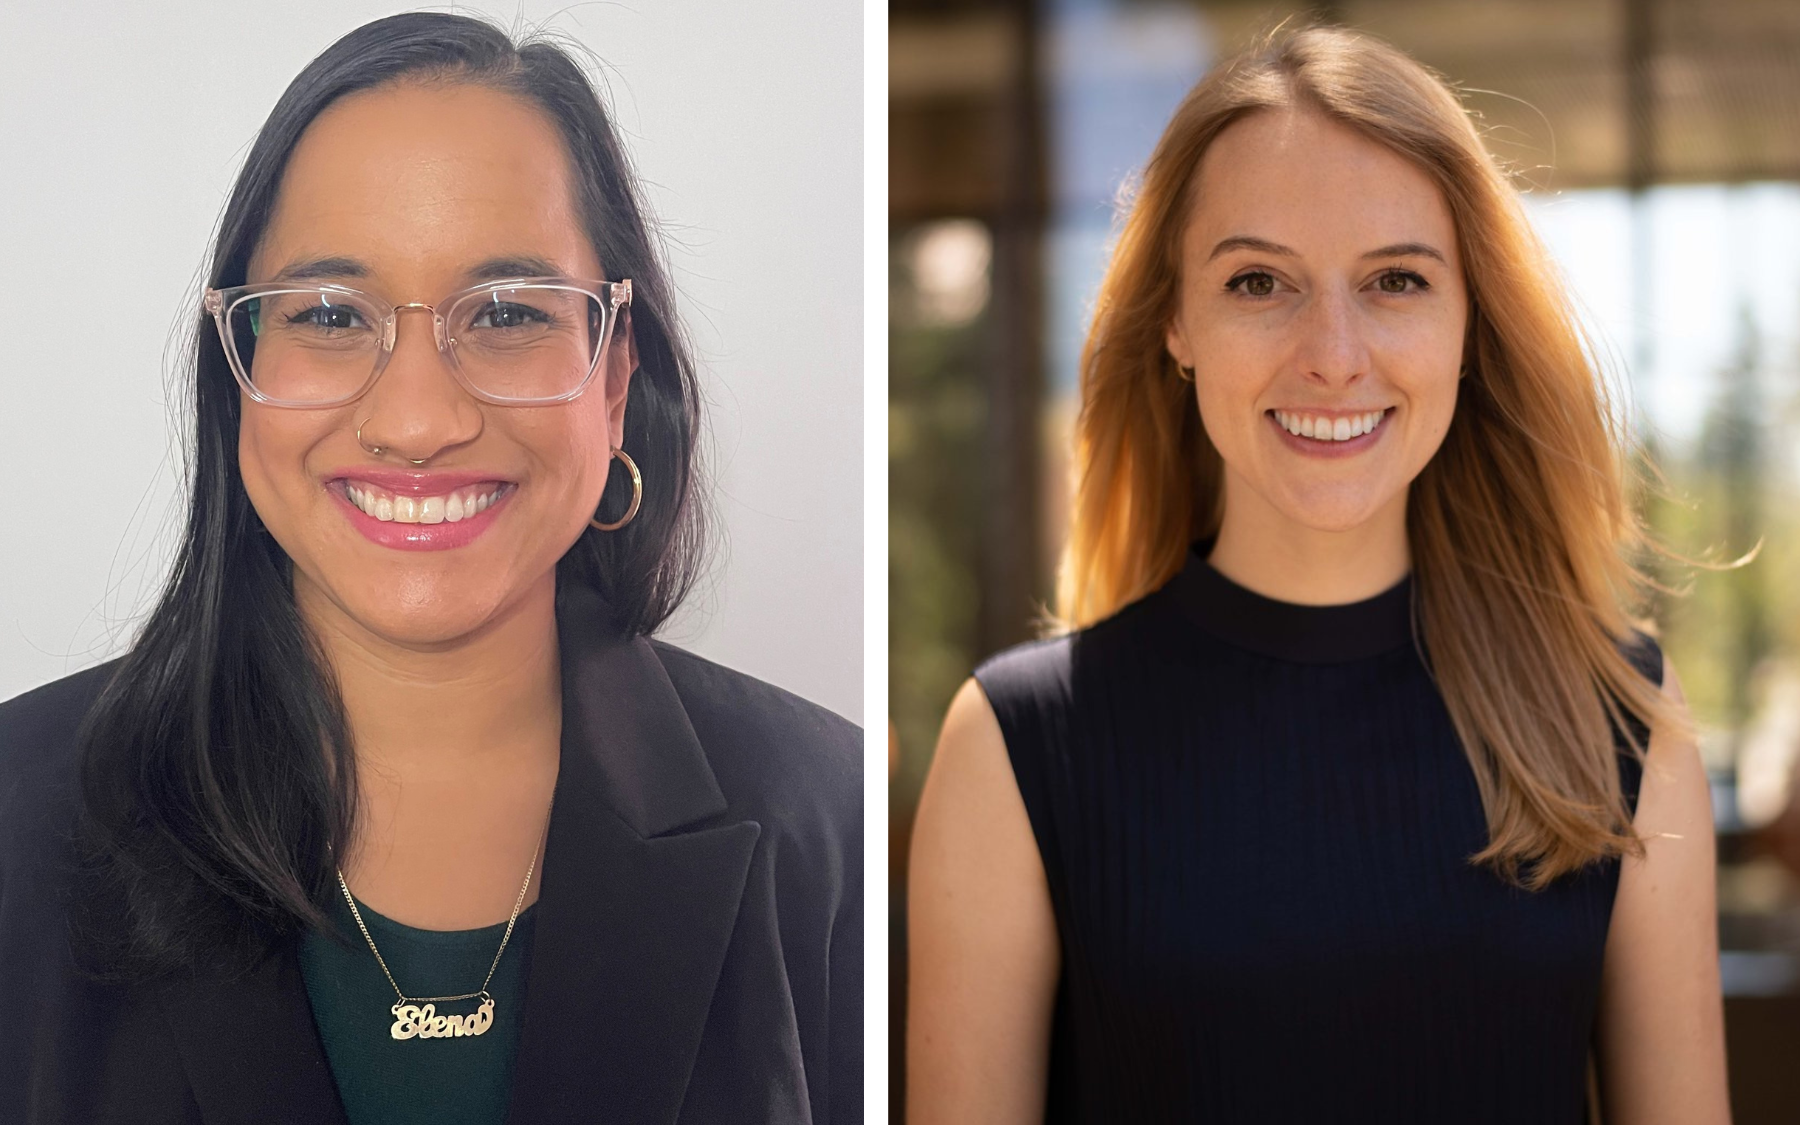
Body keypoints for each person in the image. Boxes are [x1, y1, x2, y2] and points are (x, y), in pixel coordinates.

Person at [0, 13, 860, 1124]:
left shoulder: (826, 821)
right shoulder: (16, 816)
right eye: (327, 314)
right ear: (239, 375)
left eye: (505, 313)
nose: (416, 422)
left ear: (612, 377)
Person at [908, 24, 1727, 1125]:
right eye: (1259, 282)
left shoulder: (1623, 726)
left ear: (1469, 324)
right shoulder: (1015, 749)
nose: (1334, 354)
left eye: (1395, 280)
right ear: (1176, 325)